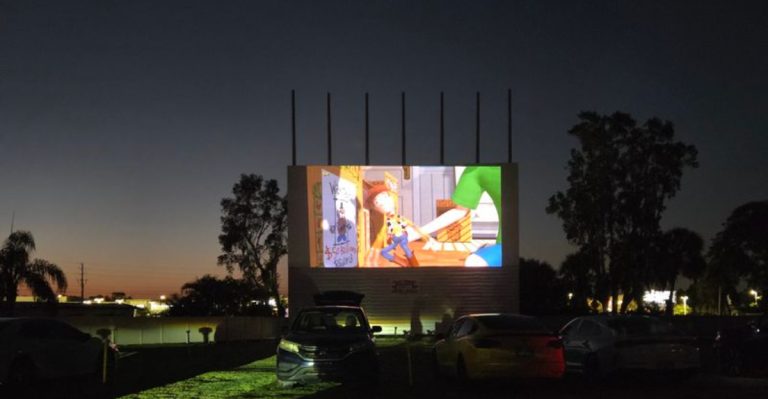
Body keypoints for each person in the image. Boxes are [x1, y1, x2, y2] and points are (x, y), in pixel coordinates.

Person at [415, 166, 502, 267]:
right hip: (505, 245)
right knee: (474, 263)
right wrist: (417, 232)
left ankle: (487, 248)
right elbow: (459, 211)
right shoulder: (476, 170)